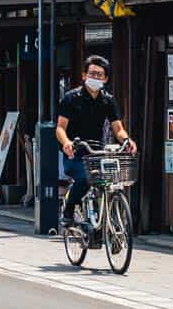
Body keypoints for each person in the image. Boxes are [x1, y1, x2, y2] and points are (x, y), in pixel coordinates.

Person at [55, 55, 137, 223]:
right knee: (85, 179)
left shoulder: (108, 100)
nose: (95, 77)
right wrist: (66, 143)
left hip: (97, 152)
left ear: (106, 79)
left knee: (110, 180)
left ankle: (107, 225)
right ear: (84, 75)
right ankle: (69, 209)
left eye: (100, 75)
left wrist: (127, 141)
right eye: (92, 74)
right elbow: (60, 128)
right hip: (75, 152)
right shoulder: (71, 98)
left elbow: (118, 129)